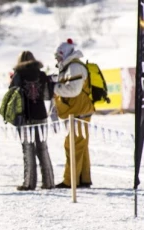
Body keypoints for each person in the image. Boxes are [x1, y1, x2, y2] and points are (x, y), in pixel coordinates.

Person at [51, 39, 95, 189]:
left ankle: (70, 181)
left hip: (79, 112)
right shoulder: (70, 67)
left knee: (73, 146)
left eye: (58, 56)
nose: (57, 59)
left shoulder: (75, 67)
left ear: (65, 54)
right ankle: (84, 178)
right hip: (77, 112)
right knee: (80, 145)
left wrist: (54, 87)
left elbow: (73, 90)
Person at [9, 51, 54, 191]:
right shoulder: (41, 75)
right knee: (43, 148)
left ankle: (29, 183)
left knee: (28, 148)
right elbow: (47, 96)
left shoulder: (18, 75)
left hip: (25, 116)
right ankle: (49, 182)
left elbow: (12, 95)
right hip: (41, 114)